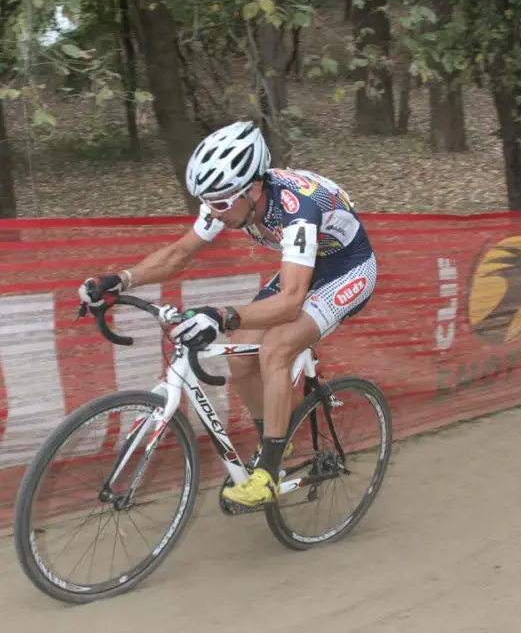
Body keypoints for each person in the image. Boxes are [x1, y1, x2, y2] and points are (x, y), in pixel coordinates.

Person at [78, 120, 377, 509]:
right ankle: (278, 444)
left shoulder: (297, 210)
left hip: (346, 269)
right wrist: (120, 279)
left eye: (219, 203)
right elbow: (179, 254)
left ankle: (267, 473)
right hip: (304, 263)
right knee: (241, 352)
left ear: (252, 189)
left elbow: (289, 300)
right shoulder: (226, 201)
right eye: (207, 203)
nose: (213, 213)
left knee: (276, 347)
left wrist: (219, 315)